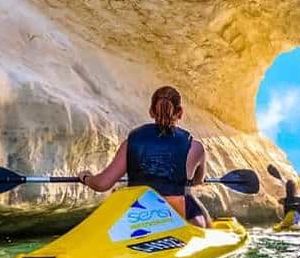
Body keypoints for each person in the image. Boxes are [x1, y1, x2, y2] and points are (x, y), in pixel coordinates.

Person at [76, 86, 212, 227]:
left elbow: (102, 184)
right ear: (180, 112)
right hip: (174, 213)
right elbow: (197, 181)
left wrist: (86, 178)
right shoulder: (195, 148)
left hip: (137, 213)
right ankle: (206, 233)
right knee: (197, 212)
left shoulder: (131, 143)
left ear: (151, 112)